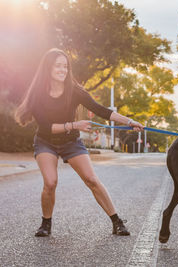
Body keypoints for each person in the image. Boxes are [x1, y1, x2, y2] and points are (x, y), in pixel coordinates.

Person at [15, 48, 144, 237]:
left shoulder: (74, 91)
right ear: (48, 68)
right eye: (58, 66)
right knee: (50, 182)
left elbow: (102, 110)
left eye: (65, 66)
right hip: (46, 142)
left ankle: (117, 221)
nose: (63, 70)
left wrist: (130, 122)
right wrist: (75, 124)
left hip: (70, 142)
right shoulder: (38, 93)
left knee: (91, 179)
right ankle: (46, 224)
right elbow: (45, 127)